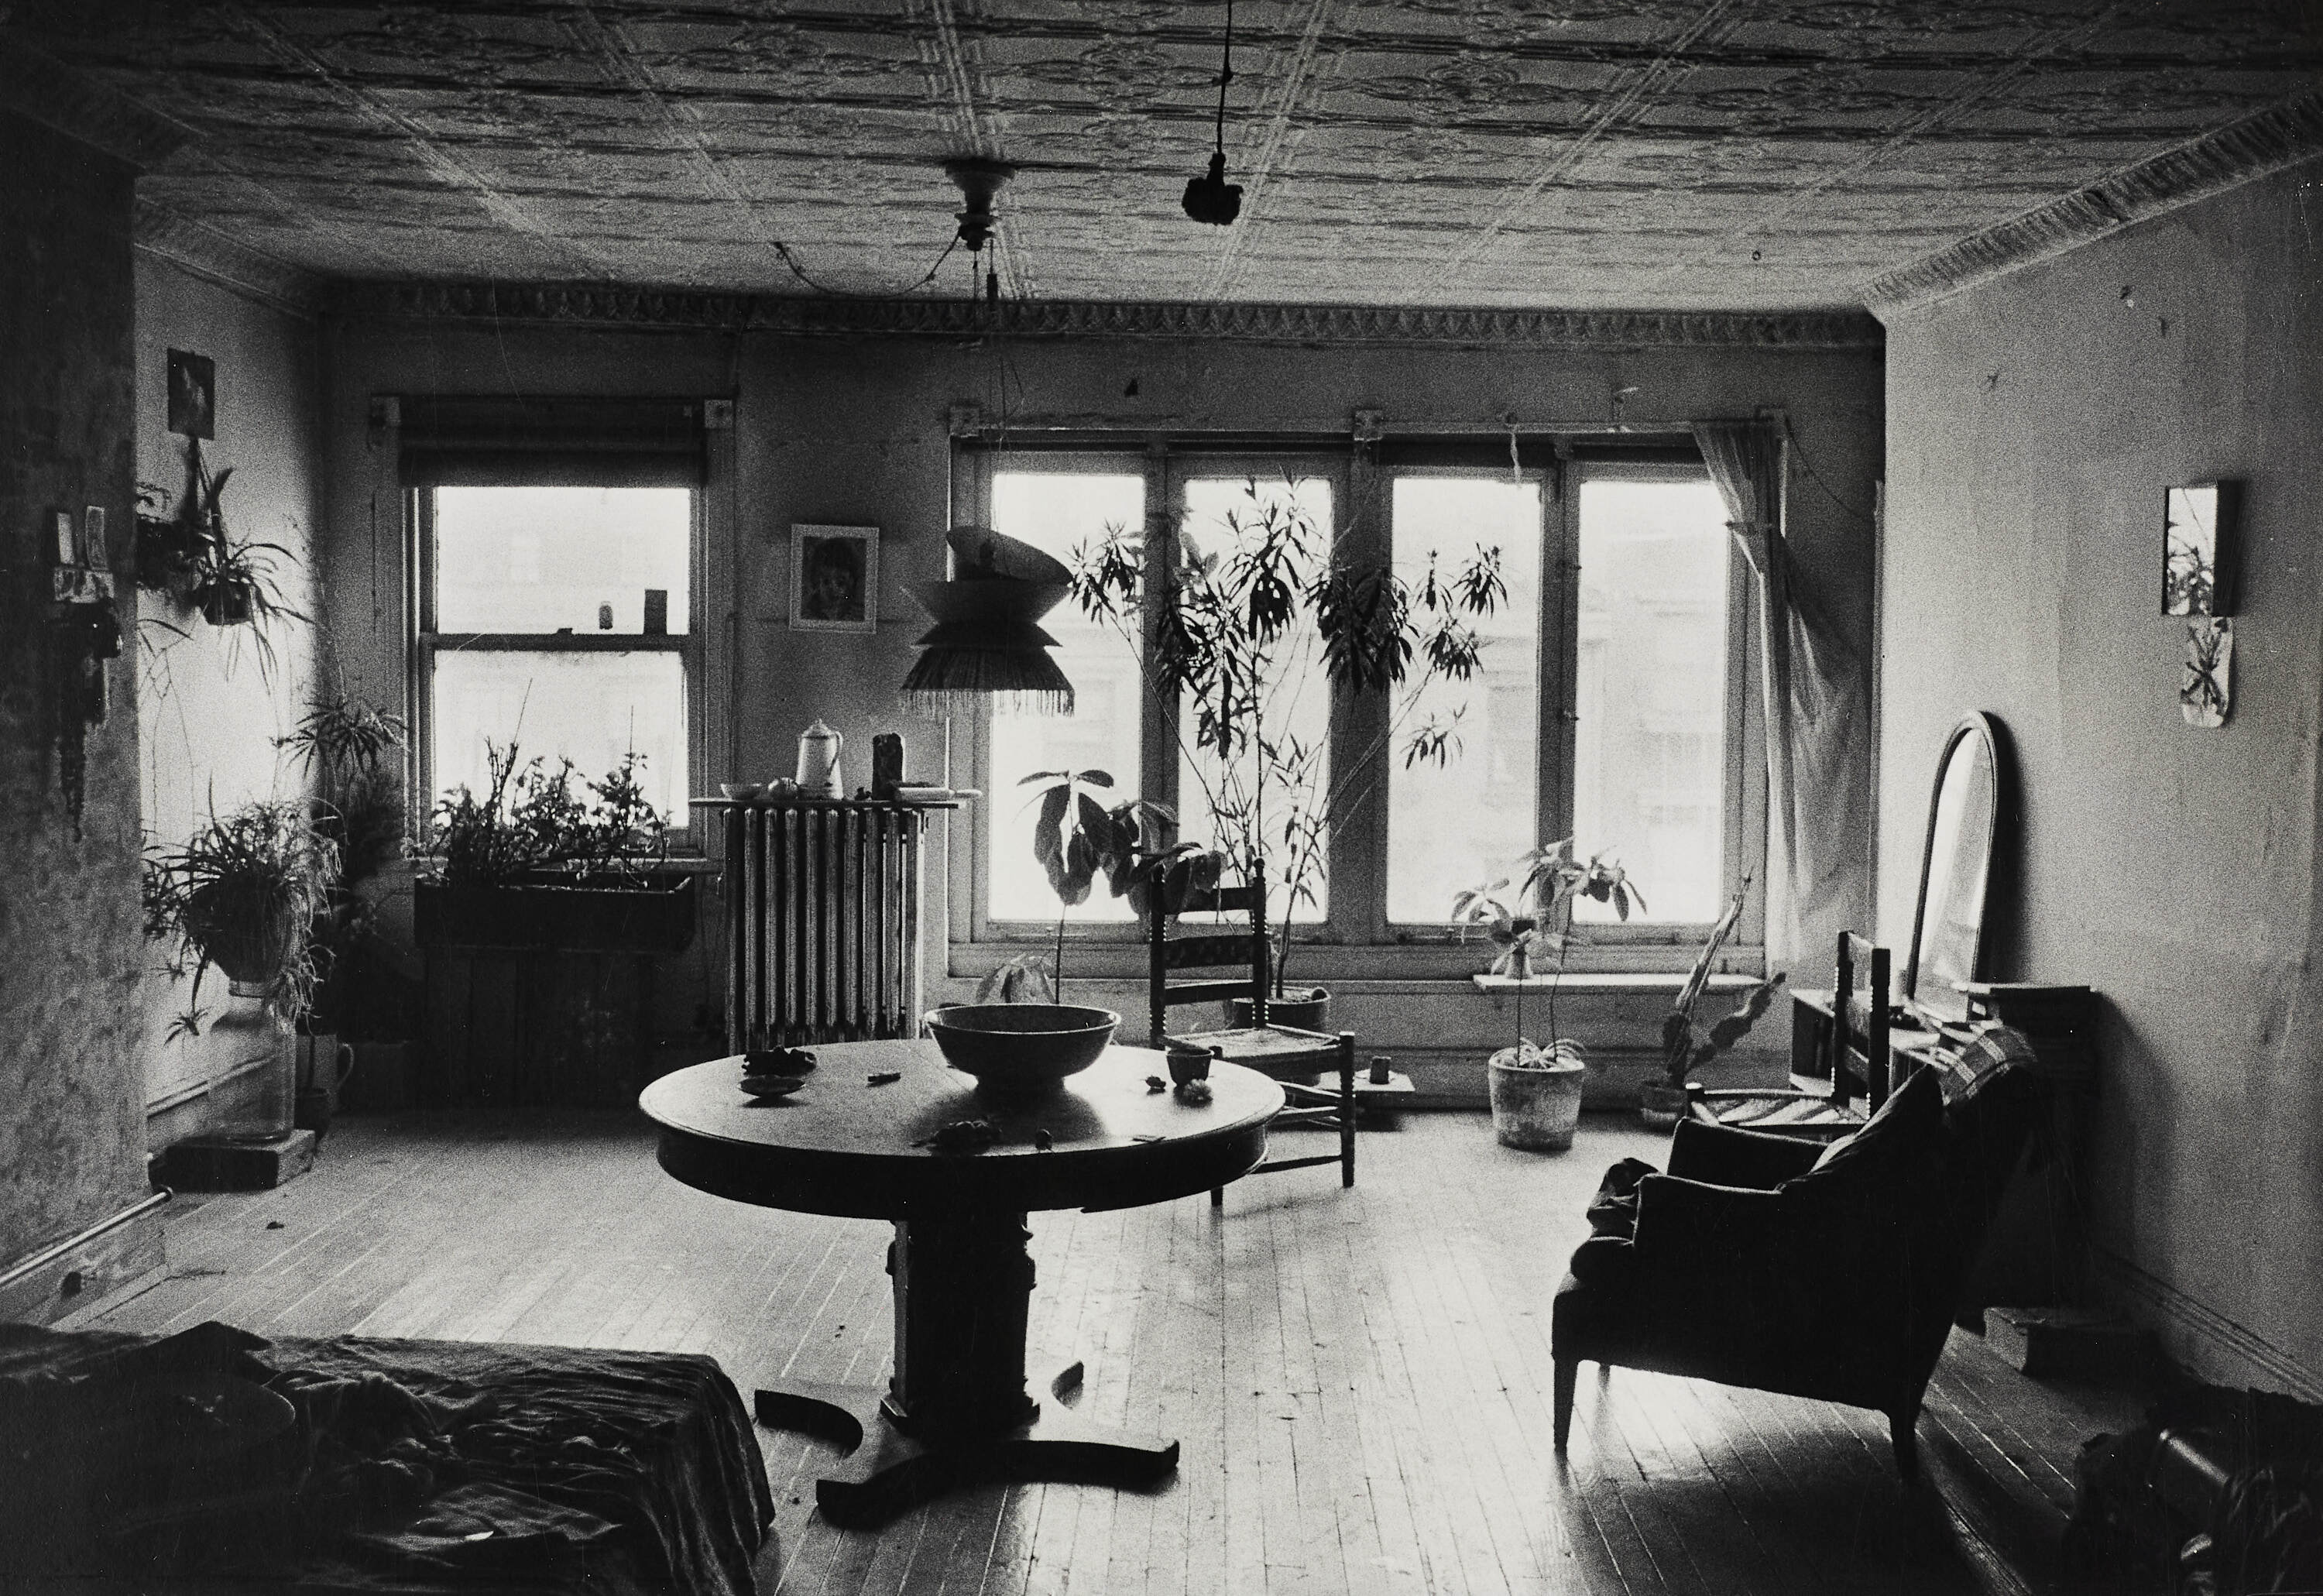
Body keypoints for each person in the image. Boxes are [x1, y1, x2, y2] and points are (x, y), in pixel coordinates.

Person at [801, 537, 862, 622]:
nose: (833, 589)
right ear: (816, 583)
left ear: (851, 583)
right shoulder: (807, 617)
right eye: (826, 582)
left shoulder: (856, 616)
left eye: (840, 583)